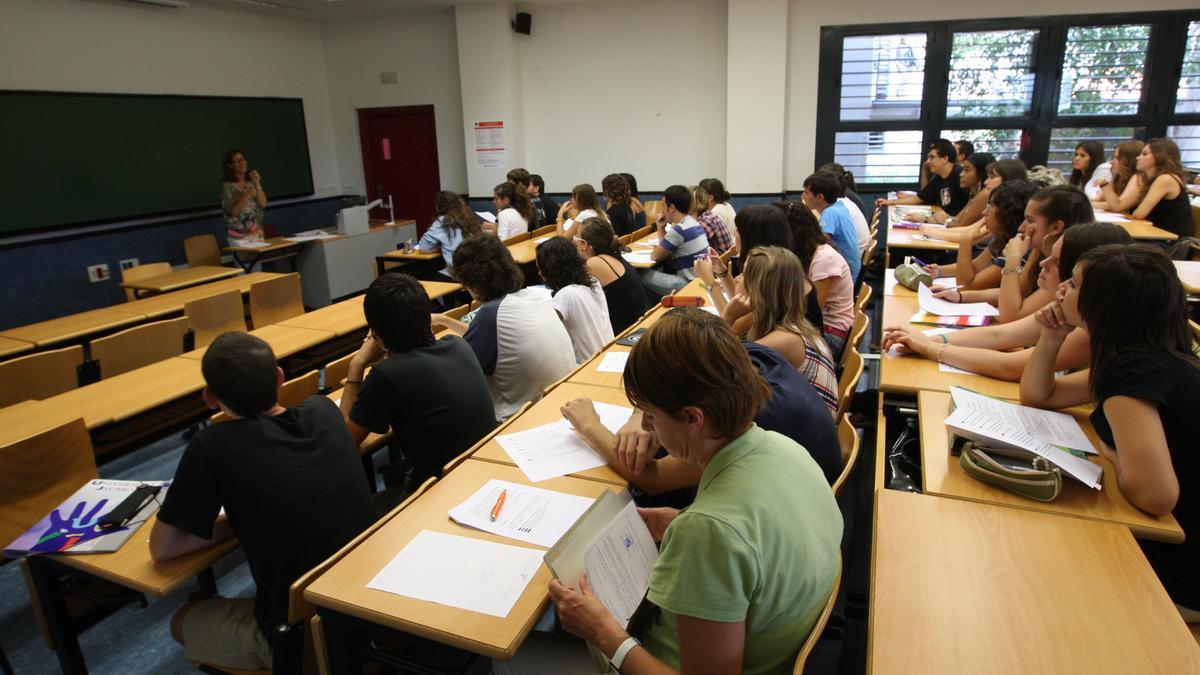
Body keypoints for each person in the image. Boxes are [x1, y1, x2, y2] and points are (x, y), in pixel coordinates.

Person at [513, 308, 842, 675]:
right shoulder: (787, 450)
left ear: (692, 418)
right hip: (762, 640)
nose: (647, 427)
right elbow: (760, 542)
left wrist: (604, 634)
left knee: (517, 649)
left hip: (659, 657)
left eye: (650, 416)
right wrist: (683, 522)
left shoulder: (711, 532)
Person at [149, 332, 375, 671]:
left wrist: (240, 519)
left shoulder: (212, 445)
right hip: (366, 607)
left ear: (210, 398)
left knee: (181, 620)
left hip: (304, 644)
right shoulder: (324, 409)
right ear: (280, 378)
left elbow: (162, 548)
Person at [1020, 244, 1198, 619]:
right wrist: (1051, 338)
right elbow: (1040, 395)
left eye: (1075, 283)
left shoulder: (1133, 370)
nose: (1063, 288)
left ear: (1105, 304)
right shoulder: (1141, 354)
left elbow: (1157, 496)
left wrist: (1111, 453)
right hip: (1176, 551)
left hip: (1180, 575)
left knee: (1027, 571)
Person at [561, 334, 843, 492]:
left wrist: (590, 425)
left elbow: (653, 479)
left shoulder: (748, 423)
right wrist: (645, 416)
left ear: (693, 417)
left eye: (651, 412)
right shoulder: (744, 357)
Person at [881, 223, 1132, 380]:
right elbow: (999, 336)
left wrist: (931, 348)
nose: (1044, 263)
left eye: (1056, 261)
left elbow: (1010, 367)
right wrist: (926, 340)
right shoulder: (1064, 305)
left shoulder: (1090, 325)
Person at [339, 274, 496, 496]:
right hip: (480, 470)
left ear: (375, 333)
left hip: (437, 490)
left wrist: (356, 365)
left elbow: (346, 441)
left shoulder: (387, 375)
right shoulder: (457, 344)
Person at [431, 234, 574, 421]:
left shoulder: (491, 314)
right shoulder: (533, 296)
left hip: (515, 419)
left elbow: (458, 375)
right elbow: (491, 340)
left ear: (473, 284)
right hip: (556, 402)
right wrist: (445, 320)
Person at [735, 246, 840, 417]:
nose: (738, 278)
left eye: (744, 274)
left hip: (807, 439)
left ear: (758, 289)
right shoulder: (795, 325)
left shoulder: (783, 340)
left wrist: (727, 320)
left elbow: (721, 376)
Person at [925, 180, 1037, 295]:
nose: (984, 212)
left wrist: (966, 239)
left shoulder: (1021, 247)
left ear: (1008, 213)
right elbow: (975, 266)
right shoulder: (1002, 237)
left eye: (992, 206)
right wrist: (939, 270)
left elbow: (966, 286)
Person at [775, 200, 854, 357]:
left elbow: (812, 312)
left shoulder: (823, 258)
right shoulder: (807, 253)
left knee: (761, 347)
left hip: (831, 335)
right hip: (815, 328)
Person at [536, 236, 614, 363]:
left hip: (586, 364)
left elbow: (543, 329)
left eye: (540, 268)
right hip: (607, 354)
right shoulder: (593, 281)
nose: (539, 273)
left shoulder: (566, 295)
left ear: (550, 269)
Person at [574, 217, 650, 334]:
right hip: (637, 321)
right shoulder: (613, 255)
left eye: (576, 237)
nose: (575, 242)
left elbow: (575, 296)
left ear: (584, 244)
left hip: (624, 330)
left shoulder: (594, 263)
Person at [643, 184, 709, 296]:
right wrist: (661, 228)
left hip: (688, 285)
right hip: (701, 283)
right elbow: (664, 249)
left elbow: (656, 256)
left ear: (672, 208)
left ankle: (649, 311)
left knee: (640, 274)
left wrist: (659, 228)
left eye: (663, 206)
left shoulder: (679, 230)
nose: (662, 211)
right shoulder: (693, 222)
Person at [877, 139, 971, 216]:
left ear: (945, 159)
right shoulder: (939, 178)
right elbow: (920, 197)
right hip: (942, 219)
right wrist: (889, 202)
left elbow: (970, 205)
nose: (928, 162)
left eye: (932, 157)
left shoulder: (960, 174)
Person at [906, 152, 995, 228]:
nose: (961, 174)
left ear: (981, 173)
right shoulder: (974, 194)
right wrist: (927, 218)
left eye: (967, 170)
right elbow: (958, 219)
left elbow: (961, 225)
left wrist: (940, 220)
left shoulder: (985, 194)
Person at [802, 171, 862, 283]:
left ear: (820, 197)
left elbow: (819, 244)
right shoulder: (839, 206)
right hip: (851, 270)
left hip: (846, 275)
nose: (802, 196)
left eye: (806, 192)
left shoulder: (830, 213)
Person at [1128, 138, 1194, 239]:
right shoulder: (1157, 178)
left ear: (1160, 157)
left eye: (1144, 154)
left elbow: (1139, 214)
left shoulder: (1165, 179)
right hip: (1160, 236)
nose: (1138, 158)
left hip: (1172, 244)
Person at [416, 191, 483, 276]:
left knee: (421, 275)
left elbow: (423, 248)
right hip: (477, 272)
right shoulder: (468, 218)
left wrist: (439, 247)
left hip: (458, 274)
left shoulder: (443, 221)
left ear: (438, 207)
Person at [220, 149, 267, 240]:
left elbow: (263, 204)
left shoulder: (251, 182)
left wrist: (257, 183)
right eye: (237, 161)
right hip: (239, 234)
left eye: (243, 159)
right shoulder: (227, 186)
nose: (241, 163)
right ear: (230, 165)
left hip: (256, 230)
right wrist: (246, 195)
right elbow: (233, 212)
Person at [1092, 139, 1145, 212]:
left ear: (1129, 161)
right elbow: (1099, 199)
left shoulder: (1139, 177)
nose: (1111, 162)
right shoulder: (1119, 177)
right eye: (1113, 157)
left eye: (1117, 158)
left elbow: (1117, 205)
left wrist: (1104, 185)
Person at [690, 184, 735, 254]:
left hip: (721, 262)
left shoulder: (707, 220)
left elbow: (690, 243)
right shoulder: (709, 214)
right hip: (723, 258)